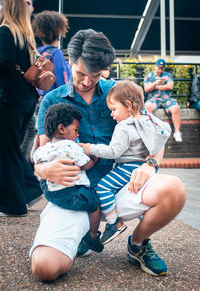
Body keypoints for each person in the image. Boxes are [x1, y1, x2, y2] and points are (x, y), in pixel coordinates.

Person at [30, 29, 186, 281]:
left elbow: (155, 134)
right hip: (74, 193)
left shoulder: (121, 92)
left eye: (95, 75)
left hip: (119, 186)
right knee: (45, 268)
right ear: (69, 61)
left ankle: (137, 244)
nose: (86, 81)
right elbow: (40, 151)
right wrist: (42, 170)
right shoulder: (52, 100)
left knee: (174, 188)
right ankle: (82, 234)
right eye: (80, 73)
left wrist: (150, 163)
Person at [80, 80, 171, 245]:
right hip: (143, 167)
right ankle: (140, 217)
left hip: (128, 167)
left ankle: (114, 223)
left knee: (103, 187)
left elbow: (113, 152)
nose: (112, 115)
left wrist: (90, 148)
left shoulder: (124, 126)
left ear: (128, 105)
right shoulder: (146, 119)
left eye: (114, 109)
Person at [33, 103, 103, 253]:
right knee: (95, 203)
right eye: (76, 130)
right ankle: (91, 235)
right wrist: (95, 156)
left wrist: (35, 144)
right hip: (71, 193)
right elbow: (87, 165)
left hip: (51, 193)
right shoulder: (72, 147)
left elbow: (34, 158)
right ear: (62, 129)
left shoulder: (44, 149)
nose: (77, 135)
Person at [0, 0, 42, 216]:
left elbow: (4, 64)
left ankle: (13, 205)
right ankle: (26, 194)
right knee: (13, 152)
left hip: (10, 99)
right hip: (25, 98)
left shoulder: (5, 32)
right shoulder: (24, 35)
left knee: (7, 152)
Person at [32, 10, 71, 98]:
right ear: (58, 37)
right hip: (52, 101)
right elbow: (63, 82)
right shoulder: (55, 53)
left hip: (37, 99)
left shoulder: (36, 53)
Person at [144, 59, 183, 142]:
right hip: (153, 99)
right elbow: (146, 89)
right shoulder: (149, 76)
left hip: (166, 99)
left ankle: (177, 132)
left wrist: (155, 87)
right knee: (147, 107)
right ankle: (151, 131)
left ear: (164, 68)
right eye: (159, 67)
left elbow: (170, 87)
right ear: (155, 66)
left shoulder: (168, 76)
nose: (160, 70)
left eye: (162, 68)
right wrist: (155, 83)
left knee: (175, 108)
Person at [18, 0, 37, 162]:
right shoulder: (9, 32)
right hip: (14, 97)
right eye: (26, 3)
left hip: (25, 97)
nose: (30, 8)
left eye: (30, 4)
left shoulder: (26, 32)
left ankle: (20, 166)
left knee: (32, 128)